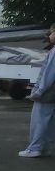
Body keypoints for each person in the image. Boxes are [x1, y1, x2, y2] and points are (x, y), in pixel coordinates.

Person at [20, 24, 55, 160]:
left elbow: (48, 75)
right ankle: (44, 148)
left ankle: (34, 148)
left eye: (52, 32)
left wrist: (38, 91)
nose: (49, 35)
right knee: (49, 122)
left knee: (39, 120)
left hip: (48, 92)